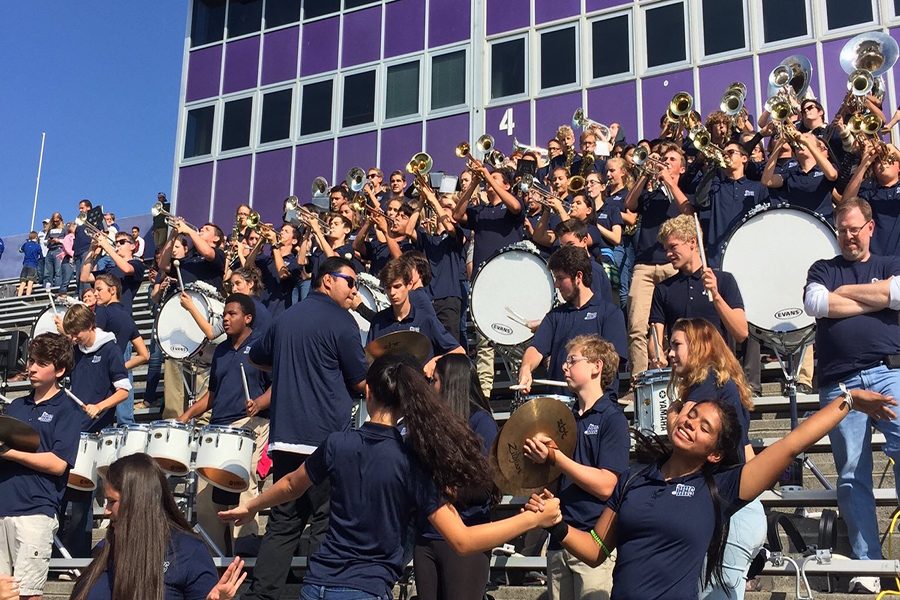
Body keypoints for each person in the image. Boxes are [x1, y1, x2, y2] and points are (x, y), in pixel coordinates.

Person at [220, 354, 563, 600]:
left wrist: (252, 507)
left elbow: (292, 484)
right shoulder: (410, 461)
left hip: (317, 584)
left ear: (367, 391)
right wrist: (533, 518)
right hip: (365, 587)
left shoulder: (338, 442)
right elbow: (462, 539)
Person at [525, 380, 895, 600]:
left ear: (716, 452)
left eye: (704, 427)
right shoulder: (633, 479)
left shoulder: (719, 489)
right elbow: (595, 549)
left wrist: (847, 401)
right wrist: (556, 524)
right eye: (691, 414)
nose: (690, 423)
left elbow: (791, 445)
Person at [242, 256, 369, 600]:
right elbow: (360, 382)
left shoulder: (285, 318)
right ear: (328, 280)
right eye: (350, 281)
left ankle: (263, 595)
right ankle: (318, 592)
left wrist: (287, 360)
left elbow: (254, 355)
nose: (354, 290)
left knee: (284, 522)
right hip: (325, 440)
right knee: (326, 522)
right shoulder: (343, 322)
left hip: (285, 439)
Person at [803, 197, 900, 595]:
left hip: (889, 371)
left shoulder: (890, 262)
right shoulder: (822, 269)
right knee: (851, 473)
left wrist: (846, 293)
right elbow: (816, 302)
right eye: (842, 230)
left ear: (871, 227)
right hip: (839, 381)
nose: (849, 236)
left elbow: (898, 294)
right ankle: (867, 566)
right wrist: (876, 295)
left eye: (855, 229)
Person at [522, 335, 629, 600]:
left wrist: (556, 458)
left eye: (572, 360)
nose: (564, 366)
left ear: (597, 366)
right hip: (559, 540)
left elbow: (607, 485)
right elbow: (561, 475)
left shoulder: (612, 418)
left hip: (593, 540)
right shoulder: (564, 418)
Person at [666, 318, 765, 600]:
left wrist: (674, 412)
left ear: (699, 346)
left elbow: (679, 438)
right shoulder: (721, 383)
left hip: (731, 515)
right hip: (740, 510)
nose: (670, 354)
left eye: (677, 345)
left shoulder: (707, 385)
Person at [69, 454, 247, 600]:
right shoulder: (104, 549)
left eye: (112, 501)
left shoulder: (187, 551)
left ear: (137, 502)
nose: (106, 511)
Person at [177, 294, 271, 550]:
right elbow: (213, 395)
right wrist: (187, 415)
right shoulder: (220, 351)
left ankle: (246, 554)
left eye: (232, 314)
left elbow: (278, 384)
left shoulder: (263, 345)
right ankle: (214, 556)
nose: (226, 319)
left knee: (244, 487)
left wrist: (260, 403)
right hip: (218, 428)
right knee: (205, 495)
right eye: (224, 315)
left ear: (248, 318)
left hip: (252, 425)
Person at [0, 333, 81, 600]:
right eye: (31, 360)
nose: (31, 368)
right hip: (3, 507)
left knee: (27, 595)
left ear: (59, 370)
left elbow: (58, 464)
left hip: (35, 511)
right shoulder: (15, 407)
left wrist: (11, 453)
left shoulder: (66, 411)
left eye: (40, 363)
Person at [414, 354, 497, 600]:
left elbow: (485, 486)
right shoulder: (431, 423)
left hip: (468, 532)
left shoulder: (481, 422)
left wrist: (441, 488)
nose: (431, 387)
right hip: (428, 535)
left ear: (451, 383)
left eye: (435, 380)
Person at [59, 303, 131, 558]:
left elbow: (124, 389)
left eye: (77, 332)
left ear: (90, 326)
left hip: (96, 434)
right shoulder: (75, 351)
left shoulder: (110, 350)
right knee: (63, 493)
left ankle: (77, 555)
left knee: (82, 495)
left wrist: (99, 406)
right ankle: (59, 554)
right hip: (73, 430)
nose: (74, 337)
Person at [518, 246, 627, 400]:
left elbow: (612, 362)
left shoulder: (610, 314)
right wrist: (526, 368)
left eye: (561, 278)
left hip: (598, 407)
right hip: (559, 407)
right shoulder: (555, 316)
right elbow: (536, 349)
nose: (556, 284)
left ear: (578, 277)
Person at [623, 143, 691, 377]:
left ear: (681, 168)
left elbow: (688, 212)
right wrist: (644, 174)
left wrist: (669, 181)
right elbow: (629, 205)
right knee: (636, 327)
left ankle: (679, 377)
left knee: (678, 325)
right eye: (664, 158)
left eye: (672, 159)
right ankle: (639, 381)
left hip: (673, 265)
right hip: (644, 265)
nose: (666, 162)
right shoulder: (650, 195)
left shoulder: (685, 192)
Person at [648, 215, 748, 367]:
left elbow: (741, 333)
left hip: (718, 370)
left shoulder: (724, 280)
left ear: (693, 242)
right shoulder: (663, 289)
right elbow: (655, 339)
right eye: (666, 249)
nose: (668, 254)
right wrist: (658, 355)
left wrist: (715, 295)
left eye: (673, 247)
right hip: (683, 376)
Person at [368, 259, 464, 377]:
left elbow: (459, 351)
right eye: (388, 288)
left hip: (420, 389)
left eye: (397, 286)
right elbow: (369, 359)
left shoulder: (425, 319)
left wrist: (435, 362)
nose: (392, 292)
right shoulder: (378, 321)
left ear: (409, 284)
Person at [92, 274, 150, 426]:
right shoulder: (127, 317)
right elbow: (144, 355)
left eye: (99, 289)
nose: (95, 293)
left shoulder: (103, 312)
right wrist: (120, 367)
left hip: (99, 379)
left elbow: (92, 341)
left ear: (112, 290)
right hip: (117, 378)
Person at [79, 231, 146, 312]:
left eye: (122, 242)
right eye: (115, 243)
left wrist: (106, 245)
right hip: (104, 314)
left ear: (132, 246)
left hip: (121, 313)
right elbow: (84, 277)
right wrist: (91, 249)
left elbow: (127, 269)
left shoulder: (137, 264)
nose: (117, 245)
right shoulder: (109, 270)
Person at [16, 231, 41, 297]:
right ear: (36, 237)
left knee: (23, 282)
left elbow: (20, 250)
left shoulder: (26, 244)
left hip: (25, 265)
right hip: (33, 265)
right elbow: (41, 255)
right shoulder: (37, 246)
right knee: (30, 281)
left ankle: (19, 296)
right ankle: (28, 296)